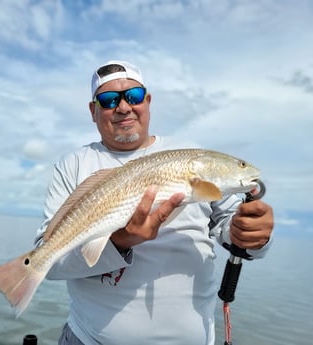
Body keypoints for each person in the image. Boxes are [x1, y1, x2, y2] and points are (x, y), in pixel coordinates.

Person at [34, 60, 274, 345]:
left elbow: (234, 231)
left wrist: (255, 235)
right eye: (109, 100)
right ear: (93, 110)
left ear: (147, 101)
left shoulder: (191, 155)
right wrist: (120, 242)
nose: (124, 107)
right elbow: (47, 262)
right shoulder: (73, 165)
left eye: (134, 97)